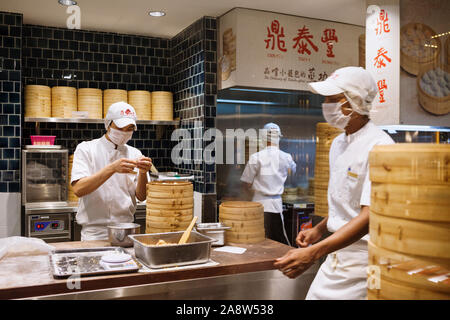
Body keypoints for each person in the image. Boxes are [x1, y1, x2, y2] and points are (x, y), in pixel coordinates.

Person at [274, 66, 394, 299]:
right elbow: (346, 201)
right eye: (326, 99)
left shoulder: (380, 146)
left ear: (356, 103)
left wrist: (314, 253)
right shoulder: (338, 144)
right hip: (336, 255)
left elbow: (371, 215)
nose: (327, 105)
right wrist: (318, 230)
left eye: (334, 99)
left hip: (366, 261)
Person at [71, 101, 153, 241]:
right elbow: (79, 189)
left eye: (130, 129)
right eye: (121, 128)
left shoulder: (135, 153)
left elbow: (141, 196)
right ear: (108, 124)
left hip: (127, 230)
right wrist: (112, 168)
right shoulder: (86, 149)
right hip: (95, 234)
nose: (125, 133)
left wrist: (144, 173)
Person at [240, 123, 297, 245]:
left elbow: (246, 184)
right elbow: (293, 172)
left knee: (257, 240)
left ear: (263, 138)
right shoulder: (286, 157)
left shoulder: (256, 157)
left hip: (258, 204)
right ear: (279, 137)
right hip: (276, 205)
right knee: (279, 242)